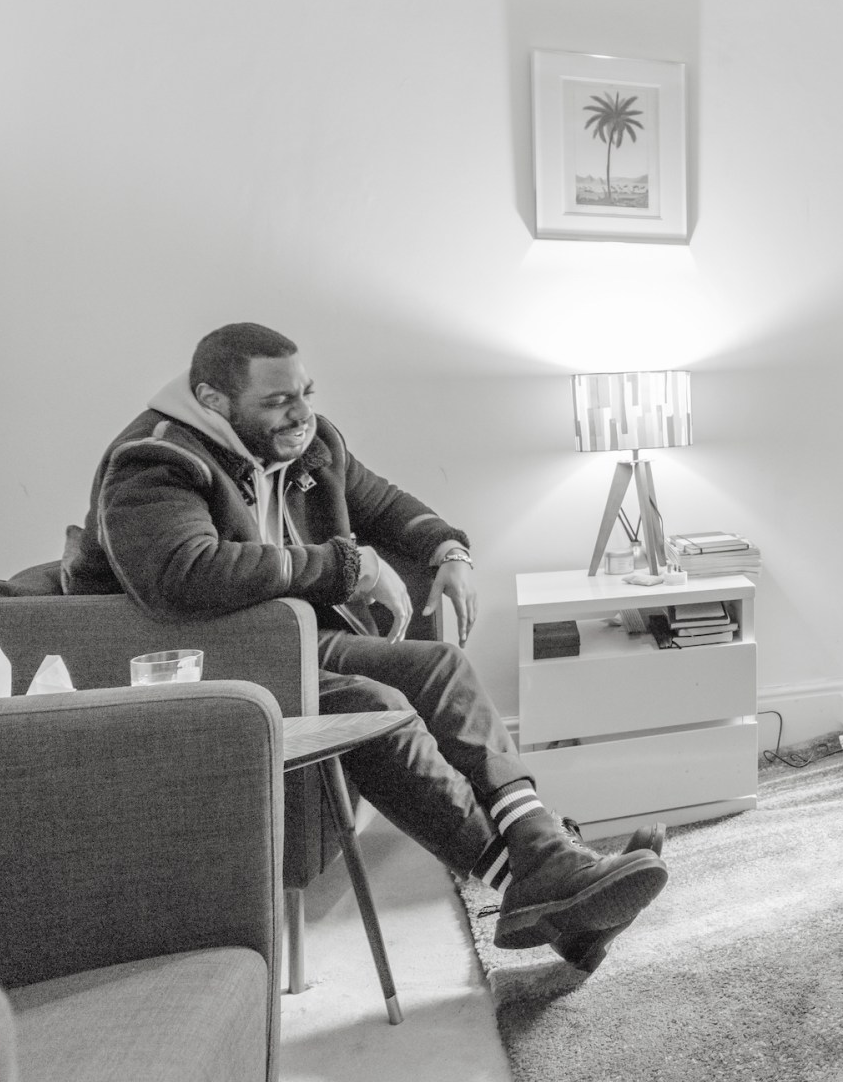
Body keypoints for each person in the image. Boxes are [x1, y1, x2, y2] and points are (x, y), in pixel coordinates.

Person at [65, 322, 666, 969]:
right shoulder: (156, 459)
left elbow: (384, 506)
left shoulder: (309, 444)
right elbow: (183, 574)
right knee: (372, 701)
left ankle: (542, 855)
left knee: (438, 665)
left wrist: (450, 551)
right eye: (277, 401)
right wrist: (344, 567)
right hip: (200, 656)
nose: (301, 412)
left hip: (288, 637)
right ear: (213, 400)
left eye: (305, 392)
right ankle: (540, 880)